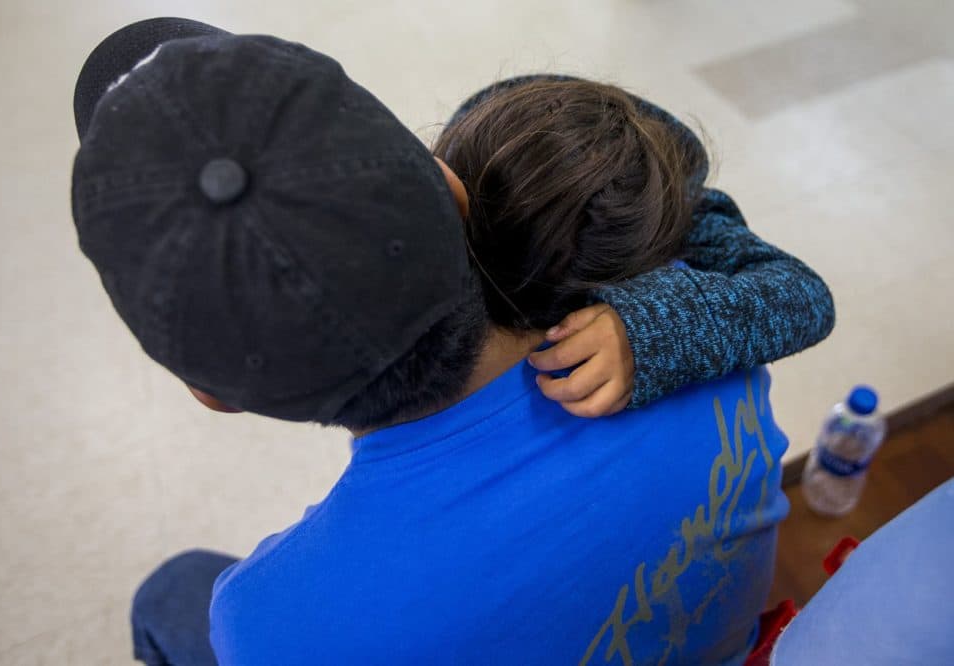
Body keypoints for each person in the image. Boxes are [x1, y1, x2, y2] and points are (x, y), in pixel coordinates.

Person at [71, 19, 833, 666]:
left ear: (214, 396)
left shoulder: (267, 624)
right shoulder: (707, 330)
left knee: (172, 593)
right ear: (450, 187)